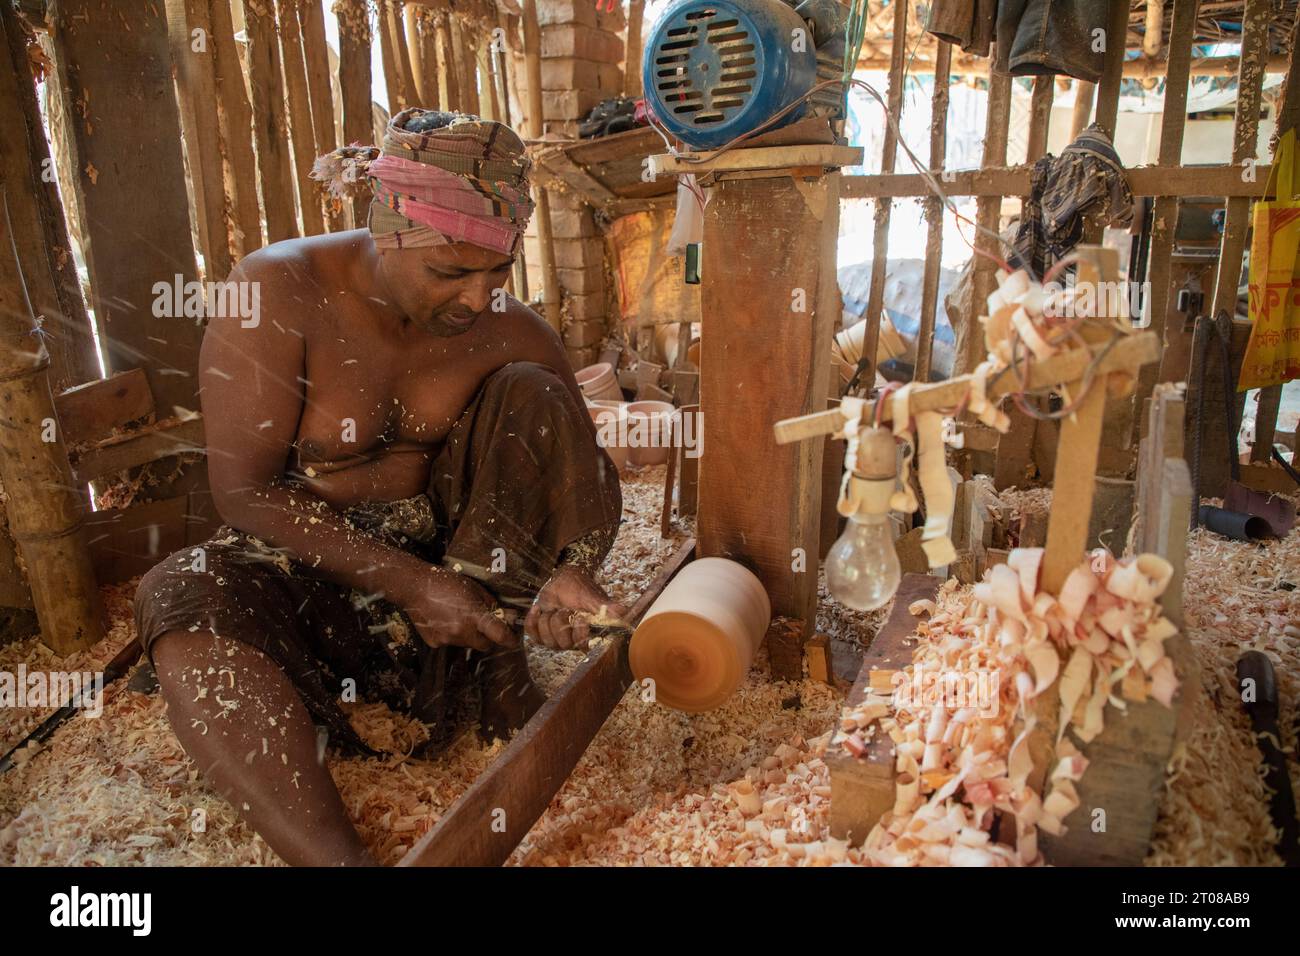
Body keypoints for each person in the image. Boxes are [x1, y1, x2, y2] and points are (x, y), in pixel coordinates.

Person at [134, 109, 624, 865]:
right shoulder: (278, 292)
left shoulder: (513, 330)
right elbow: (243, 494)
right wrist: (411, 585)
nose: (476, 298)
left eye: (498, 271)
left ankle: (499, 676)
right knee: (183, 589)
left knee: (531, 392)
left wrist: (565, 573)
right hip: (315, 582)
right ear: (386, 229)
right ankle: (338, 860)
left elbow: (583, 473)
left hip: (465, 608)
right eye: (449, 272)